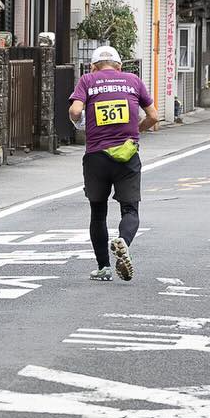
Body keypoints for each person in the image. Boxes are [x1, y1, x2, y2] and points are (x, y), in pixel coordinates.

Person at [69, 46, 159, 281]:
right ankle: (124, 243)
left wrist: (80, 121)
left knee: (98, 213)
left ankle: (104, 268)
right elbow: (154, 116)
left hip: (96, 156)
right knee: (130, 209)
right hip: (127, 155)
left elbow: (76, 110)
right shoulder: (133, 80)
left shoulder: (88, 80)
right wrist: (136, 129)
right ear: (119, 66)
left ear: (93, 66)